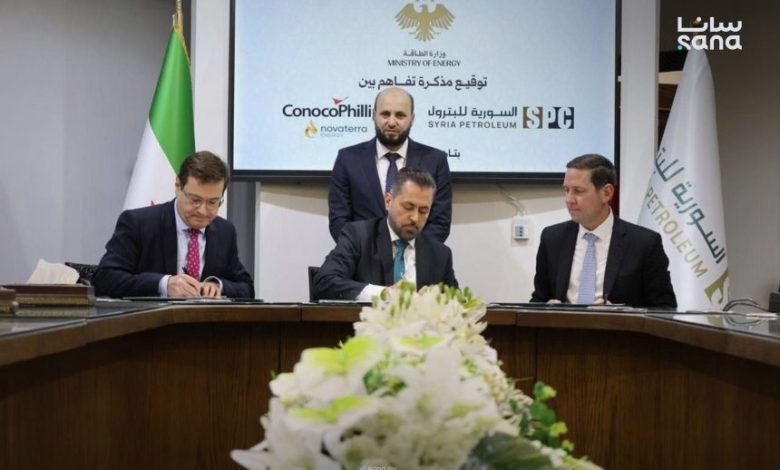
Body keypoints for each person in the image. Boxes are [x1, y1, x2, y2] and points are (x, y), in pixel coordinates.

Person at [94, 151, 254, 299]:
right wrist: (164, 285)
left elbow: (246, 287)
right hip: (152, 319)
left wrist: (218, 286)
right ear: (178, 186)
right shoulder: (138, 223)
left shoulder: (225, 232)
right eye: (195, 200)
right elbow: (104, 279)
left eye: (213, 202)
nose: (203, 211)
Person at [530, 154, 677, 308]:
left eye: (578, 191)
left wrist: (621, 315)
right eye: (567, 190)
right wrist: (545, 308)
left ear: (606, 193)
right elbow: (538, 300)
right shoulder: (552, 238)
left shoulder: (644, 243)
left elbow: (665, 308)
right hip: (563, 324)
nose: (569, 199)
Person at [328, 87, 452, 243]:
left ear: (412, 119)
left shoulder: (436, 161)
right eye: (385, 114)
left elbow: (440, 223)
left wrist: (406, 251)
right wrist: (369, 252)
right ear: (374, 115)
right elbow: (339, 221)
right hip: (361, 256)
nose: (392, 122)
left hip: (416, 257)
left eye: (400, 115)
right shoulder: (347, 159)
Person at [315, 167, 458, 301]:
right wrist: (383, 294)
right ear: (388, 202)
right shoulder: (358, 237)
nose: (415, 218)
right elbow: (324, 283)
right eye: (408, 207)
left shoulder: (440, 254)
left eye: (423, 211)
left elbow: (457, 304)